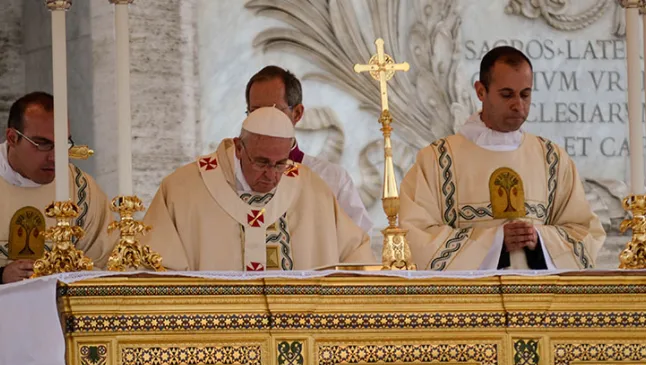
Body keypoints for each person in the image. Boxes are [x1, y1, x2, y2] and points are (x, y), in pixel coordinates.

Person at [399, 46, 605, 270]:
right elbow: (416, 237)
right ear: (480, 91)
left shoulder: (552, 159)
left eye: (525, 94)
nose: (518, 105)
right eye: (507, 95)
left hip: (539, 300)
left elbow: (585, 232)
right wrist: (496, 242)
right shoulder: (437, 161)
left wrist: (539, 239)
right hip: (469, 302)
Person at [142, 107, 375, 271]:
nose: (272, 174)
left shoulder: (312, 189)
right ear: (239, 148)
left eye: (280, 163)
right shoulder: (183, 189)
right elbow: (155, 266)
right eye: (262, 162)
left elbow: (356, 254)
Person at [0, 92, 115, 283]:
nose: (54, 157)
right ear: (12, 138)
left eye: (62, 144)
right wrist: (2, 276)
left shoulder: (82, 191)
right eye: (42, 144)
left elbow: (106, 262)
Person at [245, 65, 373, 233]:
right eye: (255, 112)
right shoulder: (231, 176)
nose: (263, 120)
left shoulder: (332, 180)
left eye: (273, 111)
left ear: (297, 113)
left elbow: (359, 245)